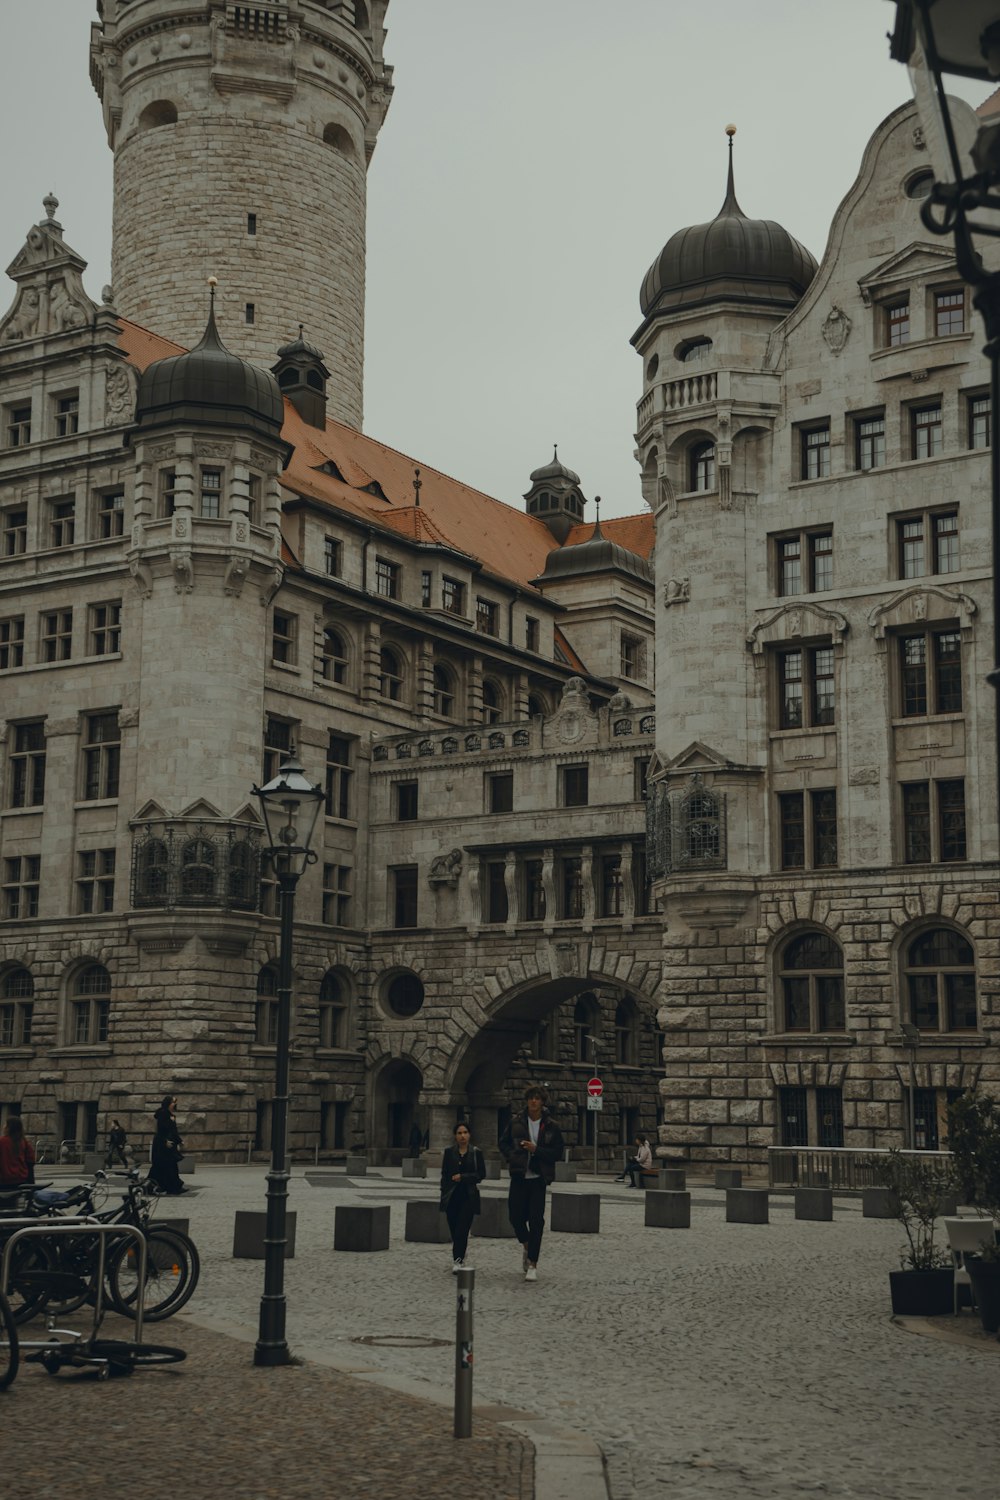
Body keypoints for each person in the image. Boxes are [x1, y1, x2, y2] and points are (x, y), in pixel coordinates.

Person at [499, 1084, 563, 1282]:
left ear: (542, 1101)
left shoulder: (552, 1125)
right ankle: (527, 1245)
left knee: (536, 1221)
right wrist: (512, 1155)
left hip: (538, 1179)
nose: (533, 1101)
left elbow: (557, 1153)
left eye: (537, 1098)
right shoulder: (516, 1121)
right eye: (530, 1098)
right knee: (515, 1218)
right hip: (519, 1176)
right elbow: (503, 1142)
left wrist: (536, 1150)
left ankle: (533, 1263)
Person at [439, 1122, 486, 1271]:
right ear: (455, 1136)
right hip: (452, 1197)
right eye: (459, 1133)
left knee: (462, 1230)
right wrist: (443, 1192)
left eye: (465, 1132)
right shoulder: (449, 1152)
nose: (462, 1136)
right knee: (454, 1230)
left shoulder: (476, 1153)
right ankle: (460, 1254)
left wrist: (463, 1177)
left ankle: (457, 1260)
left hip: (468, 1196)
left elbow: (481, 1175)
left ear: (469, 1134)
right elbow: (445, 1175)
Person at [149, 1095, 187, 1194]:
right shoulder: (163, 1113)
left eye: (175, 1102)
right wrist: (164, 1141)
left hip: (170, 1144)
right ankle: (154, 1185)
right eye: (173, 1102)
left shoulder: (172, 1115)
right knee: (161, 1165)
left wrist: (179, 1141)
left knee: (170, 1165)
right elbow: (161, 1129)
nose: (175, 1104)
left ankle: (173, 1187)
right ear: (168, 1103)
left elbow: (173, 1130)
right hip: (162, 1144)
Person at [0, 1116, 35, 1189]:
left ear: (9, 1128)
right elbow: (31, 1160)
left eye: (5, 1125)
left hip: (5, 1181)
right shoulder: (23, 1141)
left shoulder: (2, 1141)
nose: (3, 1127)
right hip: (21, 1180)